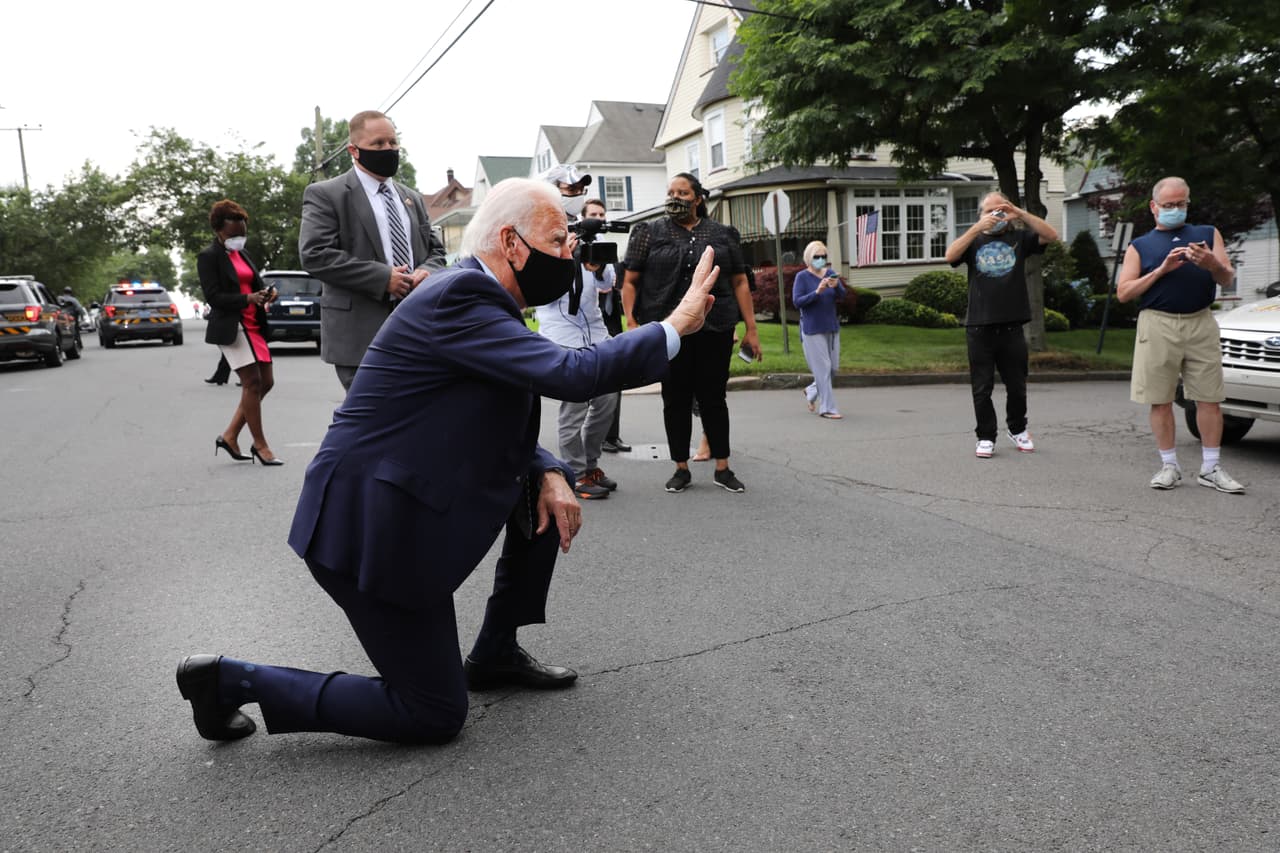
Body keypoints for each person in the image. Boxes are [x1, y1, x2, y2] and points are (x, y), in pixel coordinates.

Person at [175, 178, 722, 745]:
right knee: (432, 714)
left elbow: (501, 407)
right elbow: (572, 373)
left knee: (540, 483)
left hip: (400, 506)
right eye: (559, 240)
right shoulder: (463, 296)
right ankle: (228, 679)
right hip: (370, 530)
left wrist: (551, 470)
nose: (570, 255)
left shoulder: (476, 297)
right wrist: (673, 327)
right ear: (511, 243)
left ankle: (495, 653)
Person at [623, 172, 760, 493]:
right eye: (671, 192)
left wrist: (751, 328)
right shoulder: (648, 232)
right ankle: (680, 467)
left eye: (683, 192)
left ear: (698, 198)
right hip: (670, 329)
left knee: (714, 397)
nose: (675, 197)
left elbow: (740, 282)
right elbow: (629, 281)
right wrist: (632, 323)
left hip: (717, 327)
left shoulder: (724, 234)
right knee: (676, 398)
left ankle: (722, 467)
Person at [298, 109, 447, 391]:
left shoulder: (411, 197)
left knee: (418, 414)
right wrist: (382, 278)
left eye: (392, 142)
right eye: (378, 144)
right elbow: (315, 254)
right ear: (354, 150)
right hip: (359, 333)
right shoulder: (326, 194)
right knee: (372, 420)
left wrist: (428, 271)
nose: (388, 149)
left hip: (418, 327)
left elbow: (436, 252)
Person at [1116, 176, 1244, 493]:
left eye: (1181, 204)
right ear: (1154, 207)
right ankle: (1169, 466)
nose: (1175, 210)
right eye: (1168, 205)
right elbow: (1123, 292)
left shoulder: (1206, 234)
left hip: (1200, 321)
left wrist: (1212, 263)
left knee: (1209, 397)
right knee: (1159, 399)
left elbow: (1227, 278)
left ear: (1188, 202)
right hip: (1157, 323)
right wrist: (1161, 270)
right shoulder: (1141, 246)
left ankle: (1211, 468)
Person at [945, 191, 1058, 458]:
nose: (996, 216)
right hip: (979, 326)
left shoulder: (1019, 237)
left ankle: (1017, 428)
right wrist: (976, 228)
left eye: (1001, 210)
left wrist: (1019, 213)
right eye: (990, 212)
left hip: (1011, 325)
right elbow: (950, 256)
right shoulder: (973, 241)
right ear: (981, 215)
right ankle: (985, 436)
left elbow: (1051, 236)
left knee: (1017, 384)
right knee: (982, 387)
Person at [534, 192, 618, 500]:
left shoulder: (591, 252)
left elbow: (607, 284)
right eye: (589, 217)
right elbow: (542, 291)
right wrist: (563, 258)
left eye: (599, 216)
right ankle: (575, 472)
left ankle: (591, 465)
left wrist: (595, 266)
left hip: (596, 335)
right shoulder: (549, 248)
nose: (594, 221)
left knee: (608, 400)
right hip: (562, 338)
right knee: (575, 407)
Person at [196, 200, 283, 466]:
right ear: (219, 230)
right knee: (252, 383)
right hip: (233, 326)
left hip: (254, 325)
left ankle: (230, 435)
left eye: (242, 233)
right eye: (234, 234)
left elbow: (255, 284)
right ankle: (260, 445)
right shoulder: (208, 257)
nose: (239, 239)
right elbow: (213, 296)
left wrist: (268, 294)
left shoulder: (242, 254)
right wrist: (247, 299)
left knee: (266, 382)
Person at [793, 240, 846, 419]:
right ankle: (828, 408)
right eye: (817, 257)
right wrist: (817, 292)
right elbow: (797, 301)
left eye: (824, 257)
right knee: (823, 368)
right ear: (809, 258)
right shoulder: (802, 277)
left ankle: (811, 390)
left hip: (831, 327)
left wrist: (836, 285)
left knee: (833, 368)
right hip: (812, 329)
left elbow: (843, 295)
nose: (821, 260)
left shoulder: (830, 273)